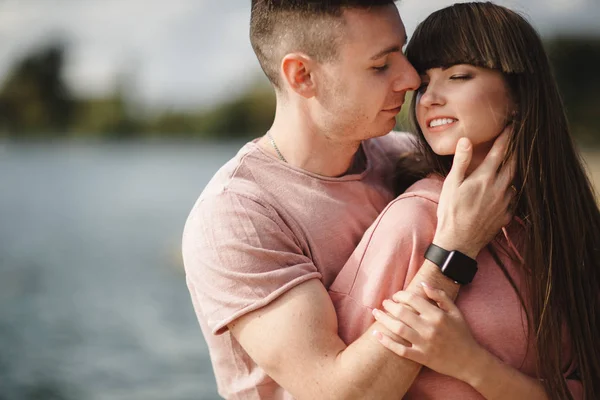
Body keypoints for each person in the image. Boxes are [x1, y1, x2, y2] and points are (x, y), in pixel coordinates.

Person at [182, 1, 514, 398]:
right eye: (380, 65)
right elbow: (340, 394)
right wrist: (456, 249)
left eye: (401, 53)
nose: (410, 79)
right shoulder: (238, 215)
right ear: (302, 75)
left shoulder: (403, 157)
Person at [329, 2, 600, 399]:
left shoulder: (568, 223)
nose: (429, 98)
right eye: (423, 83)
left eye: (457, 76)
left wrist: (472, 365)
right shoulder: (415, 220)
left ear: (519, 93)